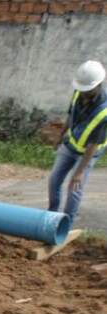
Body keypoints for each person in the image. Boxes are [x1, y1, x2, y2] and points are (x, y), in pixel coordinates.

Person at [48, 60, 107, 225]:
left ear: (98, 85)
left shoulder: (104, 111)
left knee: (74, 188)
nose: (84, 93)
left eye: (88, 90)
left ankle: (66, 224)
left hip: (88, 153)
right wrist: (60, 136)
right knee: (54, 180)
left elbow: (93, 144)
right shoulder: (78, 92)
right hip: (70, 145)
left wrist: (79, 172)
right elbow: (70, 115)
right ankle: (50, 217)